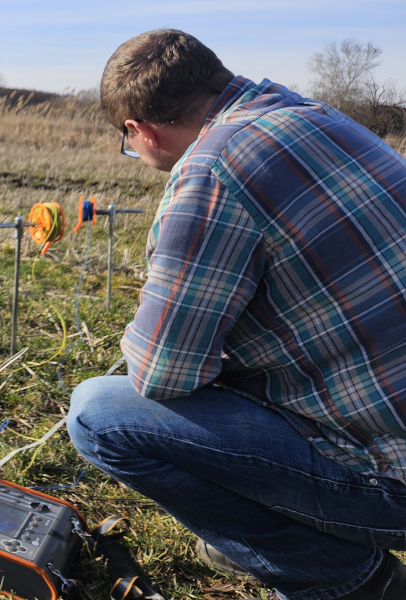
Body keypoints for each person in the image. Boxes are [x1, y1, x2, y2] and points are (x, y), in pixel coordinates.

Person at [67, 29, 406, 600]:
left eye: (130, 145)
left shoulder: (210, 172)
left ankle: (345, 579)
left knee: (101, 414)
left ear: (139, 129)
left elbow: (162, 372)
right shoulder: (316, 116)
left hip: (390, 475)